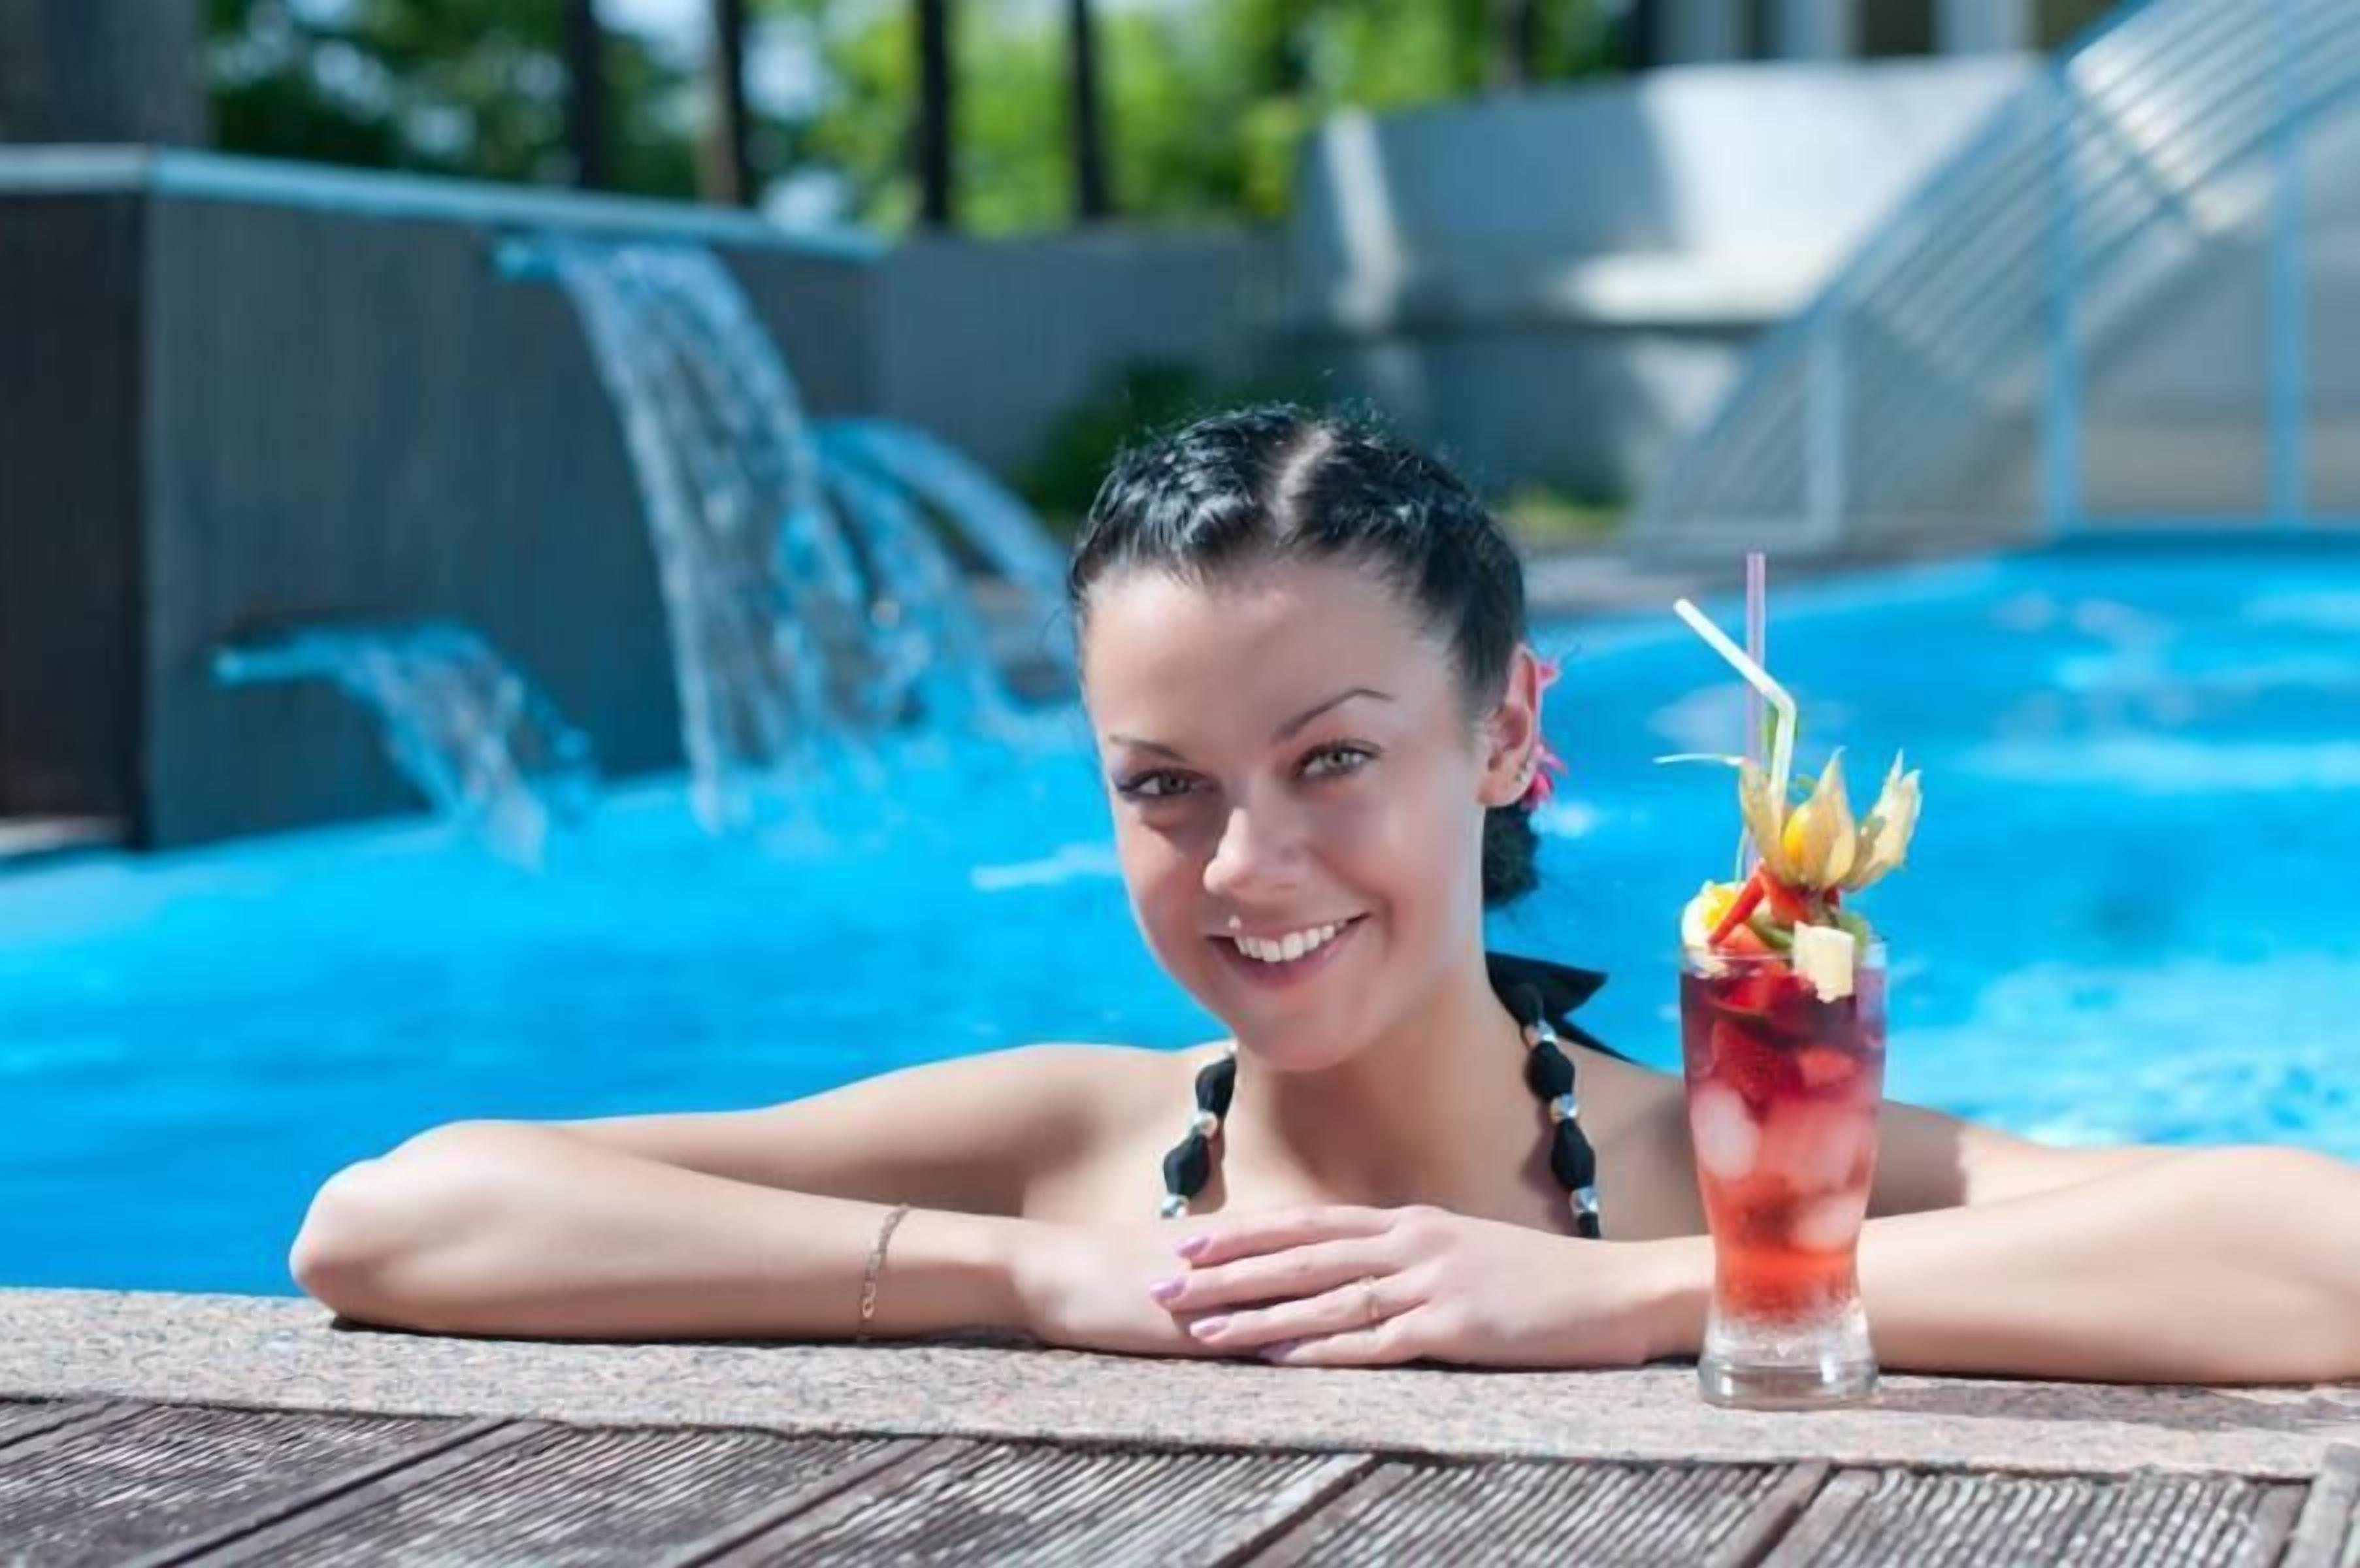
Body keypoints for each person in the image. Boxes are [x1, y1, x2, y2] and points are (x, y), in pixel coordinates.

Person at [290, 406, 2360, 1382]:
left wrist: (1627, 1299)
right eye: (1163, 787)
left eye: (1334, 761)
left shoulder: (1724, 1166)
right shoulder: (1068, 1151)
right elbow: (386, 1219)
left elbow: (2326, 1257)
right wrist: (1032, 1278)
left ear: (1508, 734)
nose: (1245, 868)